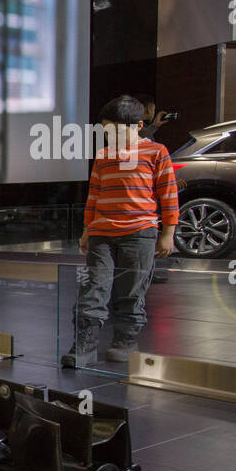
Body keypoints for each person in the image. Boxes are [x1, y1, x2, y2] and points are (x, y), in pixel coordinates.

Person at [62, 95, 178, 367]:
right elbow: (94, 195)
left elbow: (168, 194)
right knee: (93, 287)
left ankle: (125, 341)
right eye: (106, 130)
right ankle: (85, 345)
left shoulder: (157, 152)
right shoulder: (103, 156)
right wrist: (87, 230)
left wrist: (168, 232)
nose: (110, 135)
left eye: (116, 129)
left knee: (131, 290)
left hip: (140, 233)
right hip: (102, 233)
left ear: (138, 125)